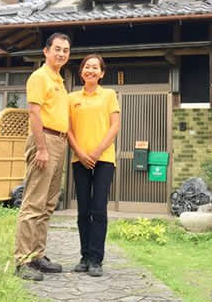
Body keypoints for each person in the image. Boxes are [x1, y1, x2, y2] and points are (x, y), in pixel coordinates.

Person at [14, 32, 71, 281]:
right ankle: (23, 260)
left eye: (65, 50)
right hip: (45, 140)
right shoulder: (39, 77)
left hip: (59, 141)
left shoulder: (58, 78)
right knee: (33, 203)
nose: (61, 53)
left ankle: (37, 255)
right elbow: (34, 114)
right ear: (46, 51)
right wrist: (42, 148)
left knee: (48, 204)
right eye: (57, 49)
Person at [67, 54, 120, 277]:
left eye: (95, 67)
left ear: (102, 73)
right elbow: (67, 129)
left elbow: (114, 126)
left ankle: (96, 259)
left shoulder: (109, 95)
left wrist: (97, 152)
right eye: (87, 67)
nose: (91, 70)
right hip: (79, 160)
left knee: (99, 209)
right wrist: (80, 152)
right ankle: (84, 256)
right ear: (81, 72)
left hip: (104, 160)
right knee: (83, 210)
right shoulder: (71, 98)